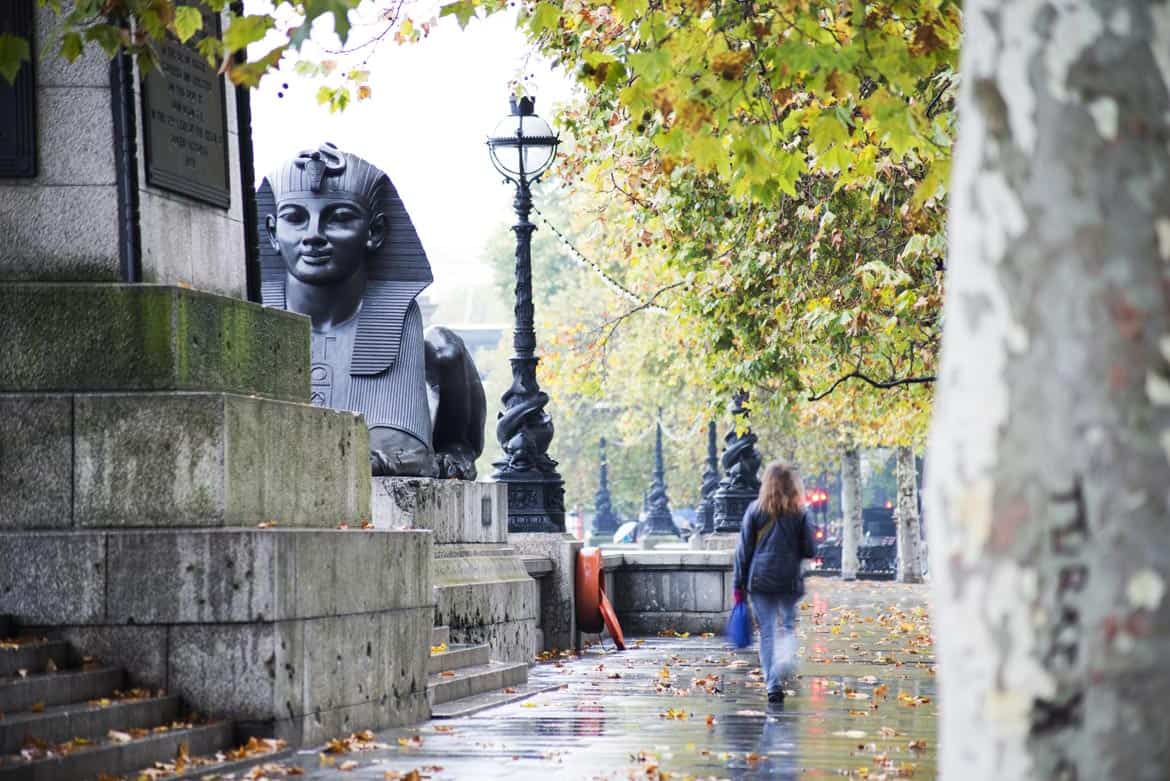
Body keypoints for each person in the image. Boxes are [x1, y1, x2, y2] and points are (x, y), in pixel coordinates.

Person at [732, 461, 818, 704]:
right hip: (789, 580)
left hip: (760, 581)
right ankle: (785, 662)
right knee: (788, 626)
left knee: (767, 634)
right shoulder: (800, 513)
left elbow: (743, 551)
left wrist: (738, 586)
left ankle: (772, 684)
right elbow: (810, 549)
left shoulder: (755, 510)